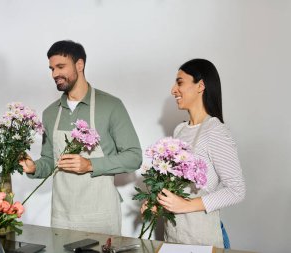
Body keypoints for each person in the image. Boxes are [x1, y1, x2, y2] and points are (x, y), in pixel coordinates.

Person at [20, 40, 142, 235]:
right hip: (62, 216)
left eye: (60, 67)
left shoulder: (111, 106)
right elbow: (50, 161)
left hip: (101, 216)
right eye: (51, 68)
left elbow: (134, 157)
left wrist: (90, 164)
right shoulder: (50, 113)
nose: (54, 74)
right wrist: (34, 167)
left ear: (80, 65)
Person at [143, 59, 245, 247]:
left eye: (180, 82)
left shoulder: (215, 131)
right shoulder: (180, 130)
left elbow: (237, 190)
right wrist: (157, 204)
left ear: (201, 85)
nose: (173, 90)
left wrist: (186, 206)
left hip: (202, 239)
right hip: (174, 236)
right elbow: (175, 187)